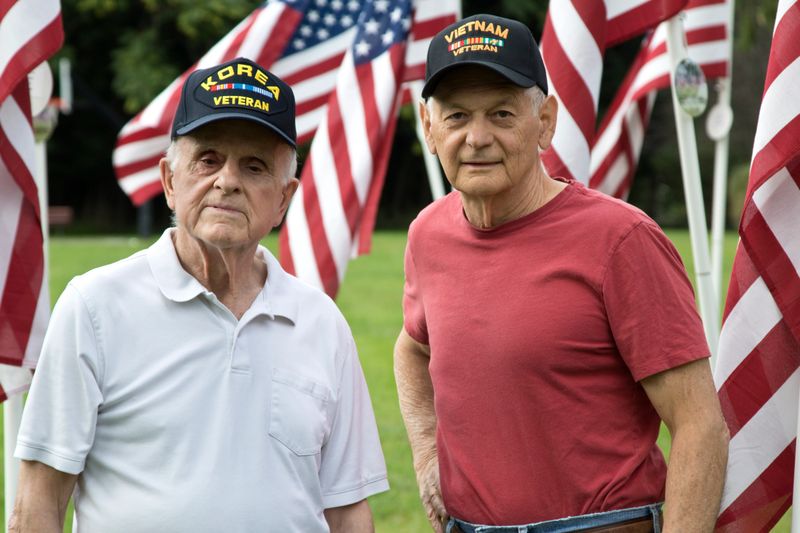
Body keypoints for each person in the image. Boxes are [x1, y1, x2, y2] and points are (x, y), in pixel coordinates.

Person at [10, 57, 388, 533]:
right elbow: (38, 500)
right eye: (208, 159)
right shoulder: (95, 307)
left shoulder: (321, 323)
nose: (227, 180)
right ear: (170, 180)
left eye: (254, 166)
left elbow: (348, 510)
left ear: (284, 200)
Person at [394, 14, 729, 533]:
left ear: (545, 121)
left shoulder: (622, 240)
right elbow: (413, 348)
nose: (476, 138)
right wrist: (424, 454)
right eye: (457, 116)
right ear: (429, 128)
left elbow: (699, 426)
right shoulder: (427, 235)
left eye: (501, 114)